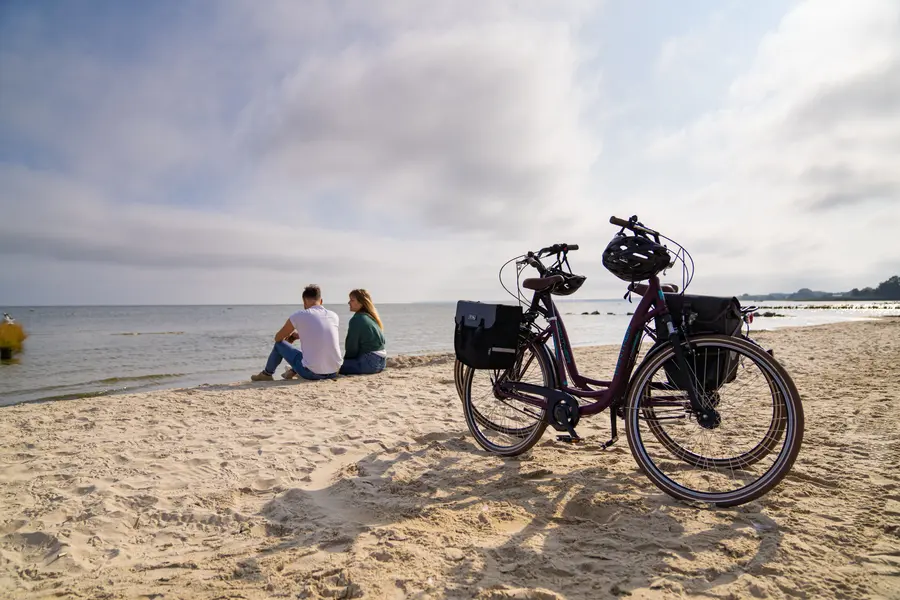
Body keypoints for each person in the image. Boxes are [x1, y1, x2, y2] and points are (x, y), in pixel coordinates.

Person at [250, 284, 342, 382]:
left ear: (304, 301)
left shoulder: (299, 315)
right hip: (334, 372)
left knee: (279, 345)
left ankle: (267, 374)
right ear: (321, 301)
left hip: (311, 374)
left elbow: (278, 338)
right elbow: (322, 335)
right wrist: (300, 335)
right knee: (311, 353)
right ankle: (291, 371)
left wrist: (289, 340)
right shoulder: (333, 315)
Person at [339, 288, 387, 375]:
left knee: (334, 367)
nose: (349, 302)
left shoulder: (357, 319)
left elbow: (351, 347)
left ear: (361, 303)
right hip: (381, 363)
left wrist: (345, 362)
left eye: (352, 300)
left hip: (369, 363)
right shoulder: (371, 318)